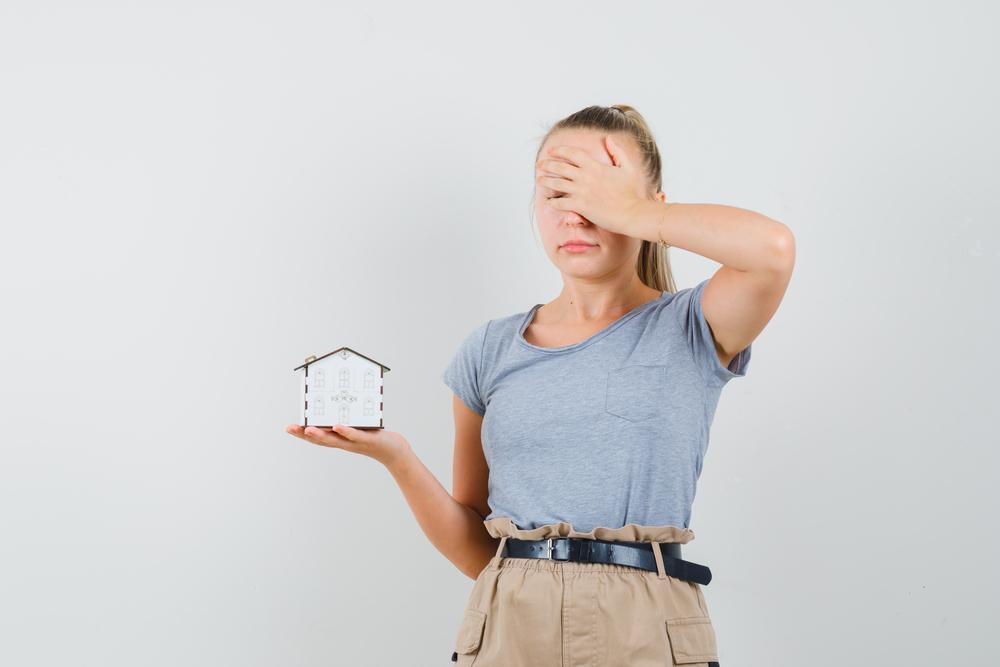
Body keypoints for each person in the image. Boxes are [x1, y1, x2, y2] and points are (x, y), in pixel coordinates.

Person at [286, 104, 794, 666]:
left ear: (648, 208)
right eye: (558, 193)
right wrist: (397, 458)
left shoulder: (691, 326)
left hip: (648, 628)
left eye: (598, 193)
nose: (577, 215)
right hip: (509, 627)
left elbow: (771, 252)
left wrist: (626, 209)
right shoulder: (490, 349)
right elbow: (481, 551)